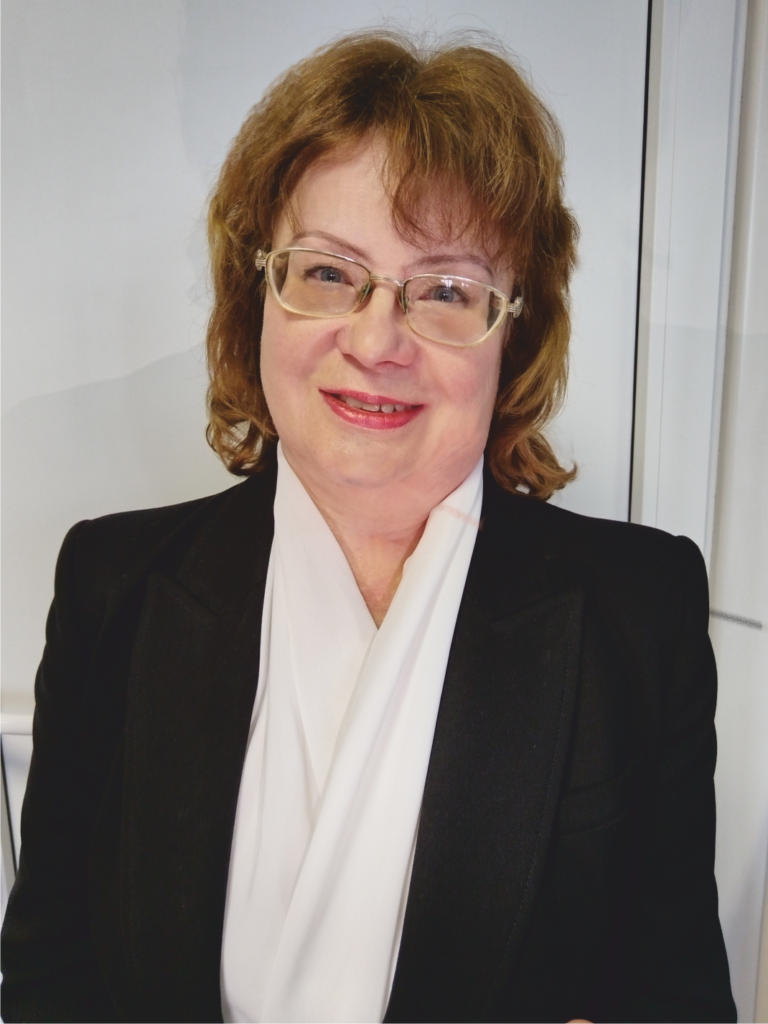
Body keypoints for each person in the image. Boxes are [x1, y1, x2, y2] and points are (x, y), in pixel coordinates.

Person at [0, 29, 735, 1024]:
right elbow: (49, 984)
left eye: (446, 290)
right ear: (256, 295)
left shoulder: (639, 614)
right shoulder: (113, 587)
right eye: (328, 273)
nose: (378, 338)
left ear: (514, 332)